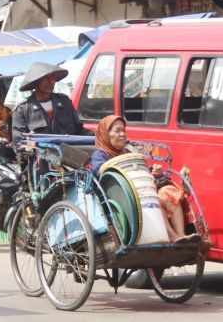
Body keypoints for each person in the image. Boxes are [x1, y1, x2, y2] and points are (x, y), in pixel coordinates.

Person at [89, 115, 200, 243]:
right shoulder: (99, 155)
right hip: (121, 197)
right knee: (153, 199)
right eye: (117, 131)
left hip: (140, 189)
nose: (122, 134)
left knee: (170, 192)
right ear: (105, 134)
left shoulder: (127, 152)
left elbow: (142, 170)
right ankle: (173, 237)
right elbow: (100, 172)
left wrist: (153, 172)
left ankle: (181, 236)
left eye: (124, 131)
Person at [12, 61, 91, 143]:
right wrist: (31, 141)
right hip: (41, 154)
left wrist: (97, 136)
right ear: (36, 82)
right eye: (46, 78)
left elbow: (79, 130)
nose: (51, 82)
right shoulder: (23, 109)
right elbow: (18, 141)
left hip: (69, 153)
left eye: (53, 78)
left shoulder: (65, 103)